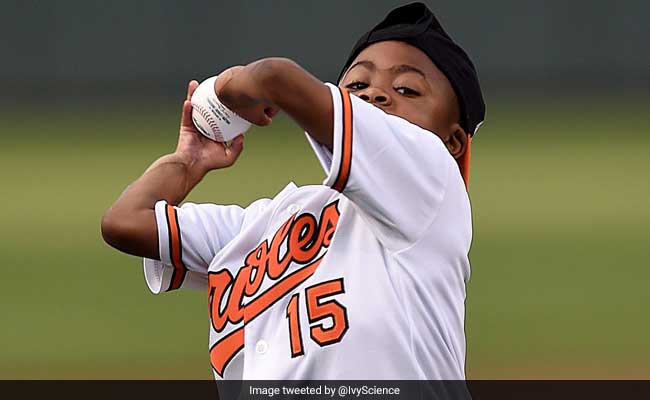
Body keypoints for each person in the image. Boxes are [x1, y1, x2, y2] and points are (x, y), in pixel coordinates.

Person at [101, 2, 485, 380]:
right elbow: (125, 223)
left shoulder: (431, 182)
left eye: (406, 88)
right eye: (357, 84)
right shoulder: (269, 222)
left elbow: (274, 78)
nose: (376, 94)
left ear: (453, 142)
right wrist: (188, 162)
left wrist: (225, 88)